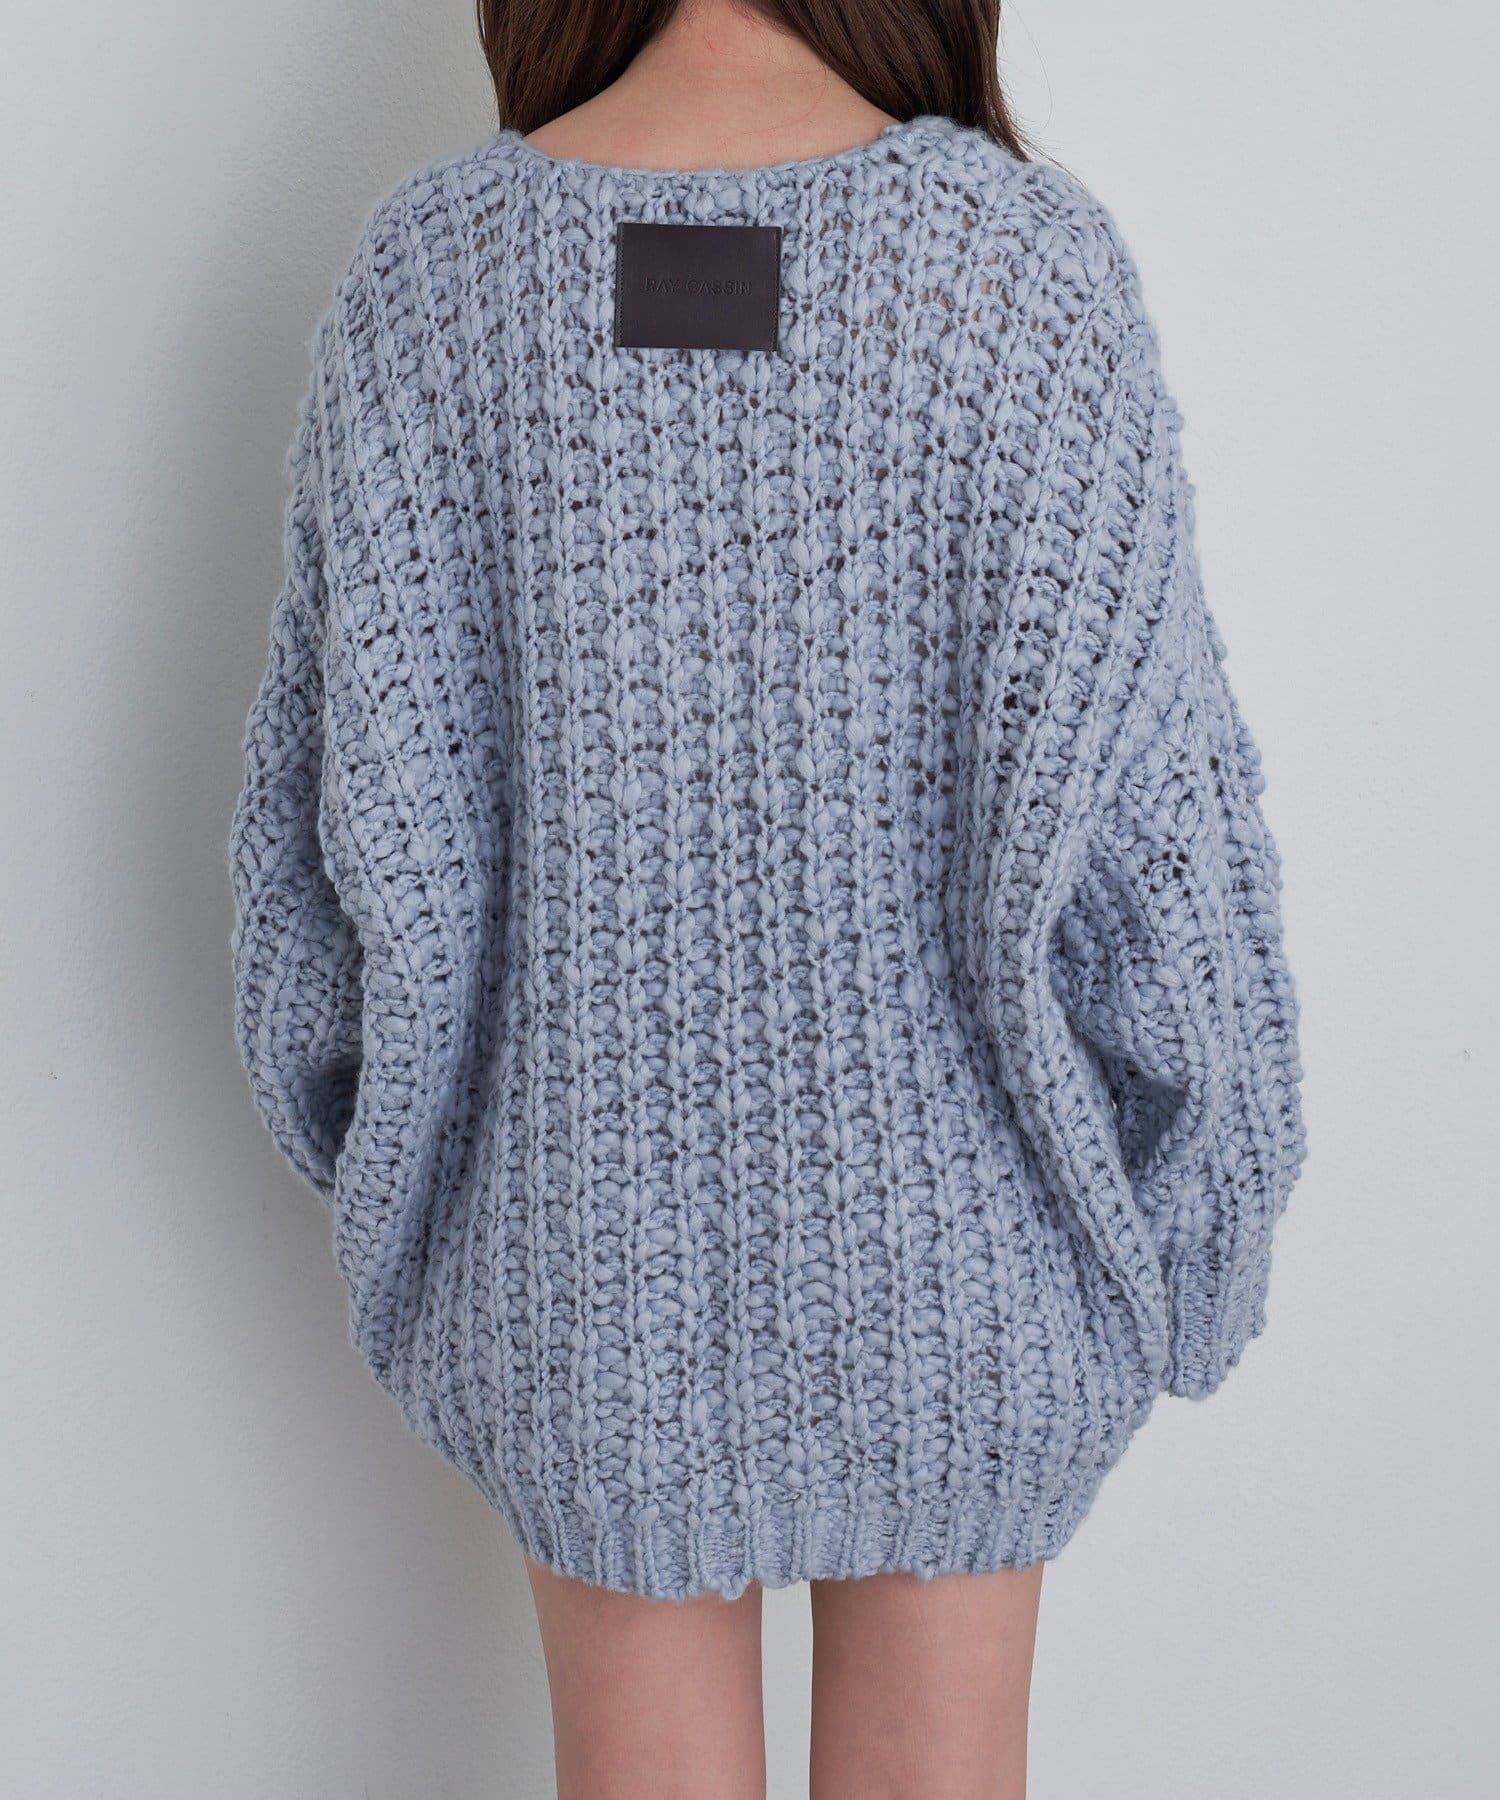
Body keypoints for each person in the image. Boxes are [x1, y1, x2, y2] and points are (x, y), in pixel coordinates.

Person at [228, 1, 1306, 1792]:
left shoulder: (435, 288)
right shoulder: (1021, 277)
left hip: (583, 1276)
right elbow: (1167, 879)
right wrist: (1205, 1245)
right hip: (977, 1283)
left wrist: (424, 1209)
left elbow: (320, 915)